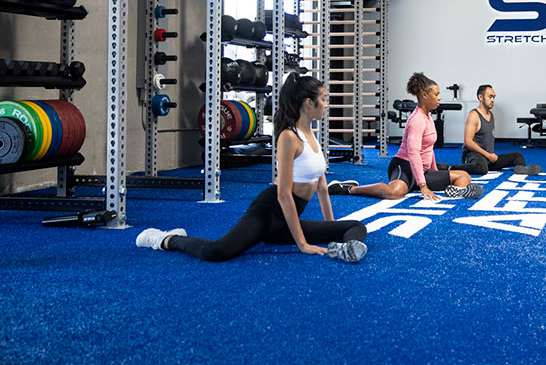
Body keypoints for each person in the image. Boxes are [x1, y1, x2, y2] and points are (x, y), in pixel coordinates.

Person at [135, 74, 368, 262]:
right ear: (309, 103)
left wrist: (331, 229)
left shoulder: (311, 136)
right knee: (217, 252)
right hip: (269, 213)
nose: (326, 105)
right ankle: (167, 239)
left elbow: (322, 188)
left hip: (288, 220)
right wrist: (303, 244)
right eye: (324, 98)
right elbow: (284, 195)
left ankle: (343, 250)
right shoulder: (289, 137)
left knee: (355, 227)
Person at [329, 72, 483, 201]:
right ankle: (350, 188)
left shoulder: (428, 117)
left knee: (463, 177)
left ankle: (453, 191)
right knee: (394, 192)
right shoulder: (416, 119)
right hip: (405, 165)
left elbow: (428, 149)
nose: (439, 97)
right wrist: (423, 186)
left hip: (422, 171)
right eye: (436, 94)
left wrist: (436, 173)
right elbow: (413, 153)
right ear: (424, 95)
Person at [460, 84, 541, 176]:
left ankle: (521, 169)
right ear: (481, 97)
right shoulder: (473, 116)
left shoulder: (491, 115)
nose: (492, 100)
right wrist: (488, 155)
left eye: (494, 97)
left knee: (518, 156)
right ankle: (452, 168)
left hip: (489, 158)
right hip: (473, 156)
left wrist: (490, 156)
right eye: (490, 97)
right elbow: (468, 142)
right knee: (481, 168)